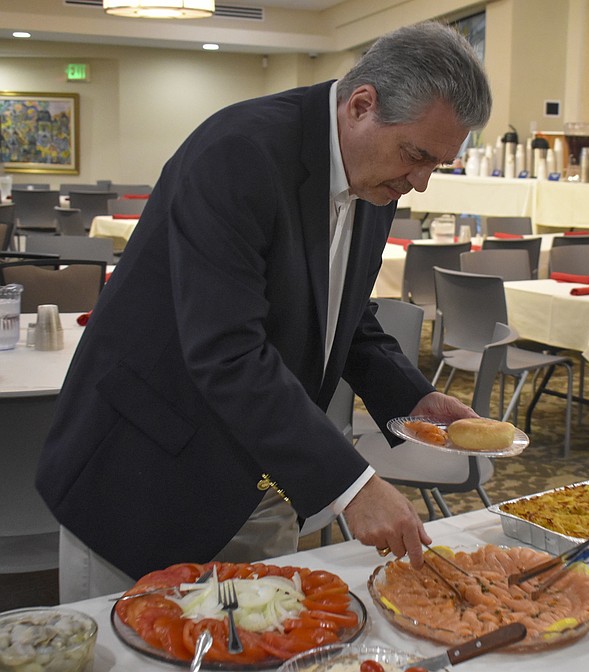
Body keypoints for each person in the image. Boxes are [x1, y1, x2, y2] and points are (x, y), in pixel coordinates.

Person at [35, 20, 492, 602]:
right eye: (416, 156)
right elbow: (227, 350)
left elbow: (343, 316)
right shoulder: (240, 153)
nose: (421, 183)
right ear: (361, 106)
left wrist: (413, 398)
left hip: (264, 475)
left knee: (263, 641)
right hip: (145, 473)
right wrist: (352, 485)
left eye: (437, 165)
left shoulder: (376, 176)